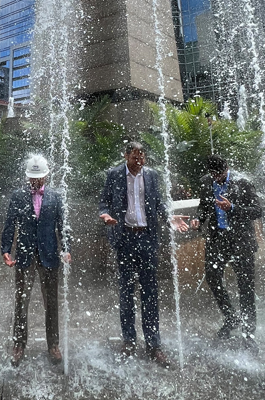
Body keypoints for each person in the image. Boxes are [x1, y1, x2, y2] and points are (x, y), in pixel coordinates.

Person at [99, 142, 188, 367]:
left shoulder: (151, 176)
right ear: (126, 155)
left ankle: (153, 344)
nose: (139, 162)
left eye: (142, 158)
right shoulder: (114, 174)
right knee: (127, 291)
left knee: (150, 292)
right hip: (125, 238)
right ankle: (129, 340)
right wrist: (106, 216)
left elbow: (158, 203)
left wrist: (169, 217)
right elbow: (103, 203)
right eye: (134, 158)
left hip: (147, 238)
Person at [1, 155, 70, 367]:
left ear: (46, 176)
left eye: (39, 178)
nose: (36, 181)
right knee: (21, 301)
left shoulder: (56, 197)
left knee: (51, 302)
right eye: (33, 178)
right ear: (27, 177)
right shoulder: (18, 196)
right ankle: (19, 344)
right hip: (24, 254)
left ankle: (53, 345)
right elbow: (10, 223)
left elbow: (63, 226)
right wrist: (6, 249)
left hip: (49, 255)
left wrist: (66, 249)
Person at [191, 154, 262, 353]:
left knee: (245, 286)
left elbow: (257, 210)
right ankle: (231, 317)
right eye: (213, 175)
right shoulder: (206, 182)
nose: (216, 179)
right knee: (213, 278)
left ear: (226, 168)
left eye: (220, 175)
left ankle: (249, 332)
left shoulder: (243, 183)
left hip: (241, 242)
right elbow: (204, 206)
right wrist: (198, 219)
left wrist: (232, 208)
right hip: (217, 240)